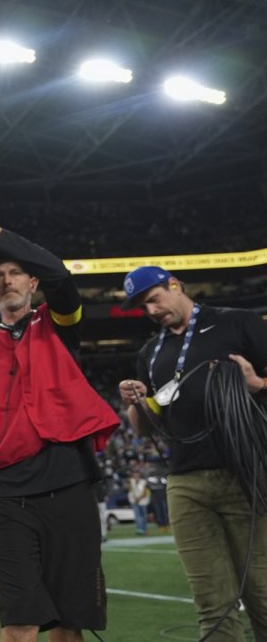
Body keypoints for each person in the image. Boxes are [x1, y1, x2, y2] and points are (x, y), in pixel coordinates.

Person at [0, 206, 120, 641]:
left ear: (33, 283)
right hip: (6, 492)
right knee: (18, 621)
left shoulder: (59, 324)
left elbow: (61, 277)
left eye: (15, 273)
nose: (6, 280)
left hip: (68, 483)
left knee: (70, 622)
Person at [117, 265, 267, 640]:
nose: (151, 310)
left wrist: (258, 384)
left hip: (246, 474)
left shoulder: (238, 323)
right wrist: (136, 404)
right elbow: (146, 426)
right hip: (186, 482)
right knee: (212, 603)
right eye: (143, 306)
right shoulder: (151, 353)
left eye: (154, 299)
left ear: (175, 285)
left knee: (262, 595)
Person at [126, 469, 150, 536]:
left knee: (144, 516)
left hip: (143, 501)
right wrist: (131, 483)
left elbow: (144, 492)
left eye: (137, 474)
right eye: (134, 474)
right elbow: (129, 490)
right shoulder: (131, 481)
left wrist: (139, 498)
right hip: (134, 501)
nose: (136, 475)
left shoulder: (143, 482)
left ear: (139, 475)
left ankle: (145, 530)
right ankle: (139, 530)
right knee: (138, 516)